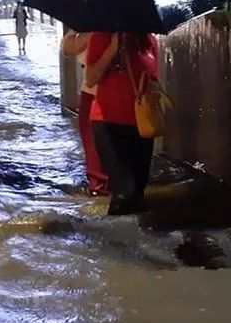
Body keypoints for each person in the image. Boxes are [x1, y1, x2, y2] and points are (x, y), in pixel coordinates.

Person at [85, 32, 158, 215]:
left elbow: (154, 79)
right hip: (107, 124)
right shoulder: (101, 36)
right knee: (126, 190)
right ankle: (114, 239)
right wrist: (112, 50)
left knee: (138, 190)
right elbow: (91, 78)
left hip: (141, 124)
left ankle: (133, 239)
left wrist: (149, 87)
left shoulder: (148, 41)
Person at [61, 30, 109, 196]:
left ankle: (102, 191)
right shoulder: (89, 19)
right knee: (96, 151)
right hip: (94, 92)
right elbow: (66, 47)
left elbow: (67, 47)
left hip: (109, 92)